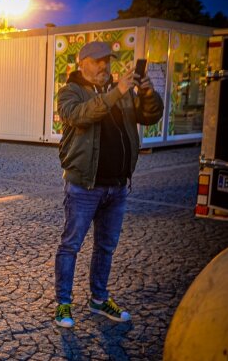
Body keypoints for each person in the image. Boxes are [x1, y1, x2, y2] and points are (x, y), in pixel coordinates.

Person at [54, 41, 163, 327]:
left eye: (108, 61)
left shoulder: (122, 93)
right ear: (83, 63)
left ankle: (99, 299)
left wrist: (148, 92)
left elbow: (150, 116)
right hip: (83, 187)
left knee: (106, 246)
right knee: (71, 245)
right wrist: (119, 91)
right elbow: (80, 116)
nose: (104, 66)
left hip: (117, 187)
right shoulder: (70, 92)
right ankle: (64, 304)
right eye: (98, 61)